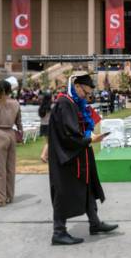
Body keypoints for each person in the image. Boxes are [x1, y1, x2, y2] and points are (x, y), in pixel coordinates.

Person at [48, 72, 117, 245]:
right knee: (62, 193)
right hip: (67, 158)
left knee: (88, 188)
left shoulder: (75, 103)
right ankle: (59, 232)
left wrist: (90, 136)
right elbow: (67, 135)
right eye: (85, 93)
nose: (87, 97)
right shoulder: (64, 103)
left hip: (80, 154)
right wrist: (89, 139)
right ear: (76, 86)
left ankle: (94, 223)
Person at [38, 92, 53, 163]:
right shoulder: (50, 107)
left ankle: (47, 156)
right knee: (49, 142)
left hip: (43, 125)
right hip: (49, 125)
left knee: (48, 141)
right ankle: (43, 155)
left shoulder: (41, 107)